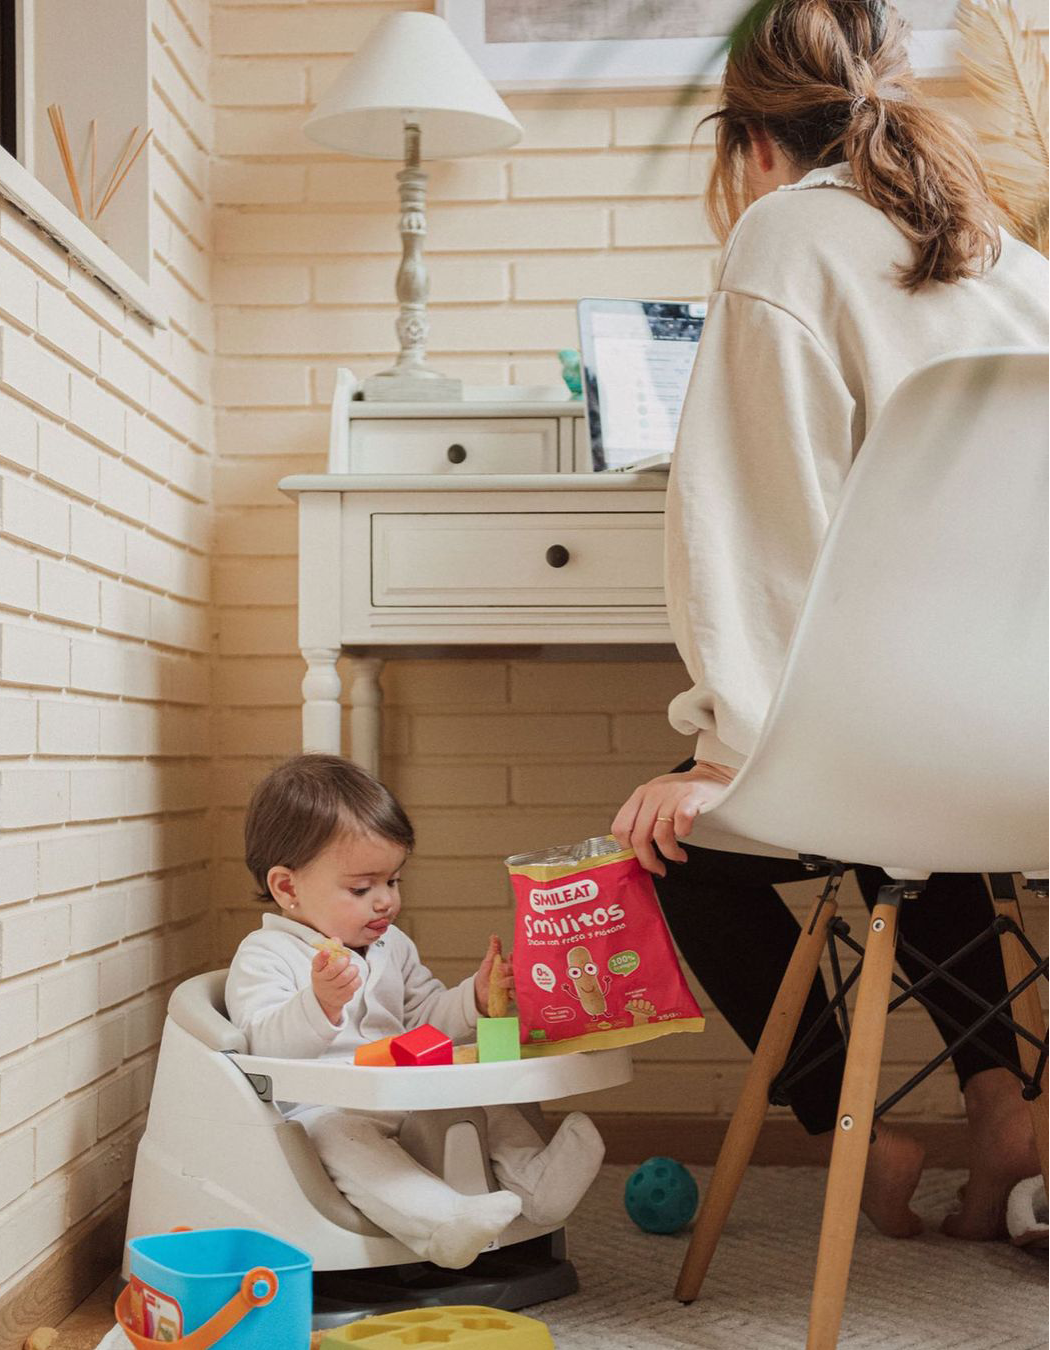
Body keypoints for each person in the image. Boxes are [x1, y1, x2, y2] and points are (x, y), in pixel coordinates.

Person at [612, 0, 1047, 1242]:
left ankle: (854, 1135)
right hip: (1024, 745)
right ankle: (1004, 1107)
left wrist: (727, 751)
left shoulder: (781, 237)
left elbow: (756, 529)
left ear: (751, 142)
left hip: (904, 739)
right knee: (908, 782)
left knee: (675, 840)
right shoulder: (1010, 264)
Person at [227, 753, 604, 1269]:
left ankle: (536, 1184)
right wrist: (318, 1004)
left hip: (405, 1087)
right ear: (288, 888)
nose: (384, 901)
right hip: (326, 1106)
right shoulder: (266, 955)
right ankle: (442, 1223)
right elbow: (262, 1047)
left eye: (393, 881)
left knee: (481, 1093)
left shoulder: (391, 947)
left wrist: (472, 996)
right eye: (362, 888)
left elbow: (425, 1018)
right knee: (339, 1137)